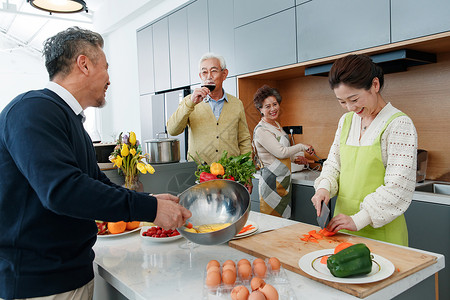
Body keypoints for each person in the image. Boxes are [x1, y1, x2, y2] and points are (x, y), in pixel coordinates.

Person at [0, 27, 191, 300]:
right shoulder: (32, 110)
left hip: (68, 275)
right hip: (40, 284)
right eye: (106, 67)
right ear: (84, 64)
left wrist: (150, 200)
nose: (109, 79)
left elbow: (93, 182)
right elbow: (63, 190)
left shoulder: (68, 118)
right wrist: (149, 209)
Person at [311, 54, 417, 246]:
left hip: (382, 235)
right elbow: (334, 164)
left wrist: (358, 219)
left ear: (374, 85)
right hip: (342, 230)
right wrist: (323, 188)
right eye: (342, 102)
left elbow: (398, 187)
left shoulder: (399, 124)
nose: (350, 108)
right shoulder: (346, 122)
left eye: (354, 99)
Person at [167, 53, 252, 165]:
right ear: (200, 76)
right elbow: (172, 130)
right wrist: (190, 103)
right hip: (200, 173)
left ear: (224, 74)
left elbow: (244, 140)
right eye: (204, 72)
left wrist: (248, 172)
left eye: (214, 71)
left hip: (231, 173)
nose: (209, 76)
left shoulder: (237, 104)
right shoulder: (189, 101)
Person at [252, 85, 314, 218]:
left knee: (284, 223)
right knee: (272, 224)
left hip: (283, 181)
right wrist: (302, 146)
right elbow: (281, 152)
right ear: (260, 109)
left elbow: (280, 154)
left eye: (275, 104)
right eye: (267, 106)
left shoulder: (276, 125)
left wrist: (296, 159)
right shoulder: (262, 130)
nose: (273, 109)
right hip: (271, 184)